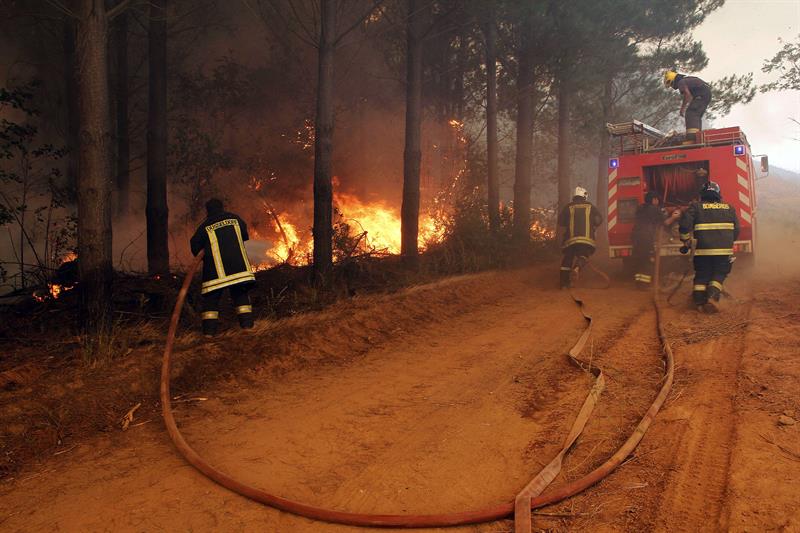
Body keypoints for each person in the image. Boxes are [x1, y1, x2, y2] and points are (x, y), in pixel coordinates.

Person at [190, 198, 256, 335]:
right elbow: (244, 235)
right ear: (222, 207)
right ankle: (248, 328)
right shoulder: (236, 219)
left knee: (211, 302)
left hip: (215, 273)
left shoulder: (205, 226)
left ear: (207, 211)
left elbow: (195, 246)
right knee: (241, 296)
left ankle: (209, 334)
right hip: (239, 270)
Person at [678, 181, 739, 313]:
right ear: (718, 194)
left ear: (702, 195)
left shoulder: (696, 207)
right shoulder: (729, 208)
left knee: (702, 275)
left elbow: (684, 226)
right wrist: (727, 242)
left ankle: (698, 302)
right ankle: (712, 298)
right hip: (723, 252)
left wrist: (686, 241)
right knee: (719, 274)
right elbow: (736, 231)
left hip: (702, 251)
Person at [558, 186, 603, 289]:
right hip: (586, 240)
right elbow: (599, 218)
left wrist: (568, 222)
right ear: (584, 196)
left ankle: (564, 284)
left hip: (570, 240)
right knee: (584, 255)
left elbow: (560, 221)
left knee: (567, 260)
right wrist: (594, 224)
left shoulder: (569, 206)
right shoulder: (590, 206)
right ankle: (577, 267)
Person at [664, 70, 712, 144]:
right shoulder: (686, 80)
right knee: (696, 115)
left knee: (691, 113)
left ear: (672, 80)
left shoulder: (681, 82)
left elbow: (687, 94)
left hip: (702, 95)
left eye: (671, 84)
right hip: (706, 95)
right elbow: (690, 96)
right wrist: (689, 105)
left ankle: (692, 138)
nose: (672, 87)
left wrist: (683, 108)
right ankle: (698, 136)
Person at [631, 191, 667, 289]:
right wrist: (675, 216)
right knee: (649, 260)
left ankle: (639, 283)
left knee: (640, 260)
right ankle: (645, 285)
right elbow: (666, 222)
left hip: (636, 238)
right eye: (657, 199)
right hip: (646, 238)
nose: (657, 201)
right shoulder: (654, 209)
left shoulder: (640, 208)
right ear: (654, 199)